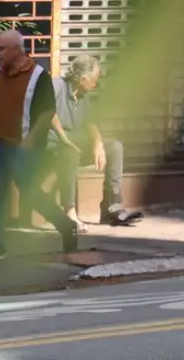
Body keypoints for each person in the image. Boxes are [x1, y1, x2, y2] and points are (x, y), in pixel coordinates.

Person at [0, 30, 78, 261]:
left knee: (29, 192)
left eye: (1, 49)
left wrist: (31, 139)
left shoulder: (38, 75)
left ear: (17, 49)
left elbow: (47, 111)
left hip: (25, 145)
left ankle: (64, 224)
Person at [47, 54, 143, 230]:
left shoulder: (83, 95)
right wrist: (64, 138)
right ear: (83, 79)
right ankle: (70, 213)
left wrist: (98, 142)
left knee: (114, 147)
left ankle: (112, 207)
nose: (96, 84)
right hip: (53, 144)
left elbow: (89, 122)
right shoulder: (56, 86)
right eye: (94, 79)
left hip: (74, 143)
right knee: (70, 152)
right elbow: (47, 111)